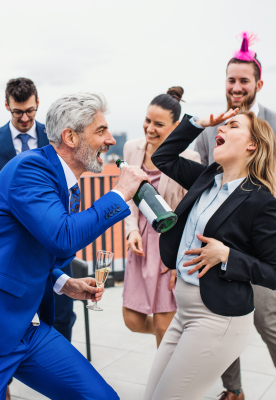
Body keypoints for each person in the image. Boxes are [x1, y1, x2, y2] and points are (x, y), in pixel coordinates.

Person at [0, 92, 149, 400]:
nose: (110, 139)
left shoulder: (65, 184)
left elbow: (44, 247)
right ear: (70, 137)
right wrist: (119, 194)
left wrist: (63, 282)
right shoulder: (30, 169)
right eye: (100, 131)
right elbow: (63, 236)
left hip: (26, 327)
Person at [143, 108, 276, 400]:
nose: (221, 129)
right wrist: (197, 123)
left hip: (218, 320)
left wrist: (227, 255)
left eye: (232, 125)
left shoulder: (262, 202)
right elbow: (162, 158)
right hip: (183, 312)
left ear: (252, 145)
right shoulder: (207, 178)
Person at [194, 32, 276, 400]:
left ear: (258, 83)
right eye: (231, 80)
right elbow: (195, 174)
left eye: (244, 81)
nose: (236, 87)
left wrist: (251, 195)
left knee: (268, 323)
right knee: (222, 320)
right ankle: (234, 391)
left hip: (259, 245)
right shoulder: (213, 126)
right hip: (217, 244)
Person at [0, 77, 76, 343]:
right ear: (6, 105)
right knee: (8, 315)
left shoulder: (55, 137)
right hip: (13, 245)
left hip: (53, 239)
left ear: (38, 103)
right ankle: (7, 378)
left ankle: (61, 374)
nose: (24, 118)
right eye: (17, 112)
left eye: (30, 111)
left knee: (61, 313)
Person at [122, 86, 201, 347]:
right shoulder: (132, 149)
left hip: (169, 245)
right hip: (141, 245)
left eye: (159, 123)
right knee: (131, 320)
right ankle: (180, 339)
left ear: (177, 126)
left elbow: (193, 212)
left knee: (164, 324)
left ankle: (165, 383)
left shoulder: (189, 157)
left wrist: (181, 259)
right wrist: (131, 229)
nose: (150, 128)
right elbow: (128, 196)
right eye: (147, 120)